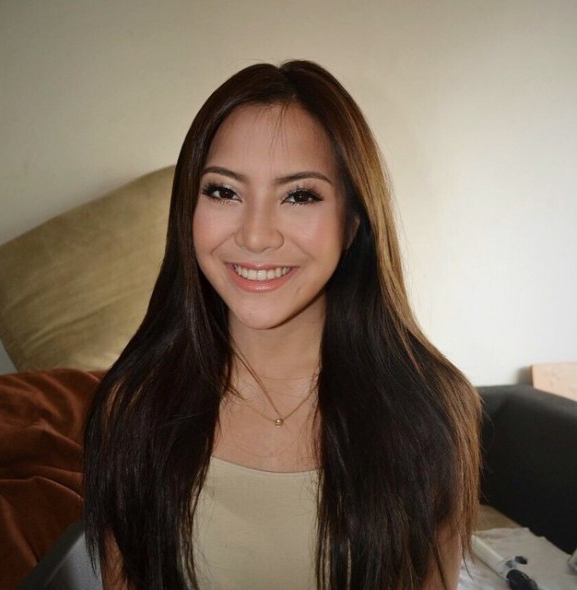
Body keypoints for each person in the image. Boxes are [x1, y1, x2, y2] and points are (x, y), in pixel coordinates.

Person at [84, 60, 481, 590]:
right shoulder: (134, 404)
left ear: (353, 221)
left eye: (299, 195)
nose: (255, 236)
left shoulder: (431, 411)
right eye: (224, 191)